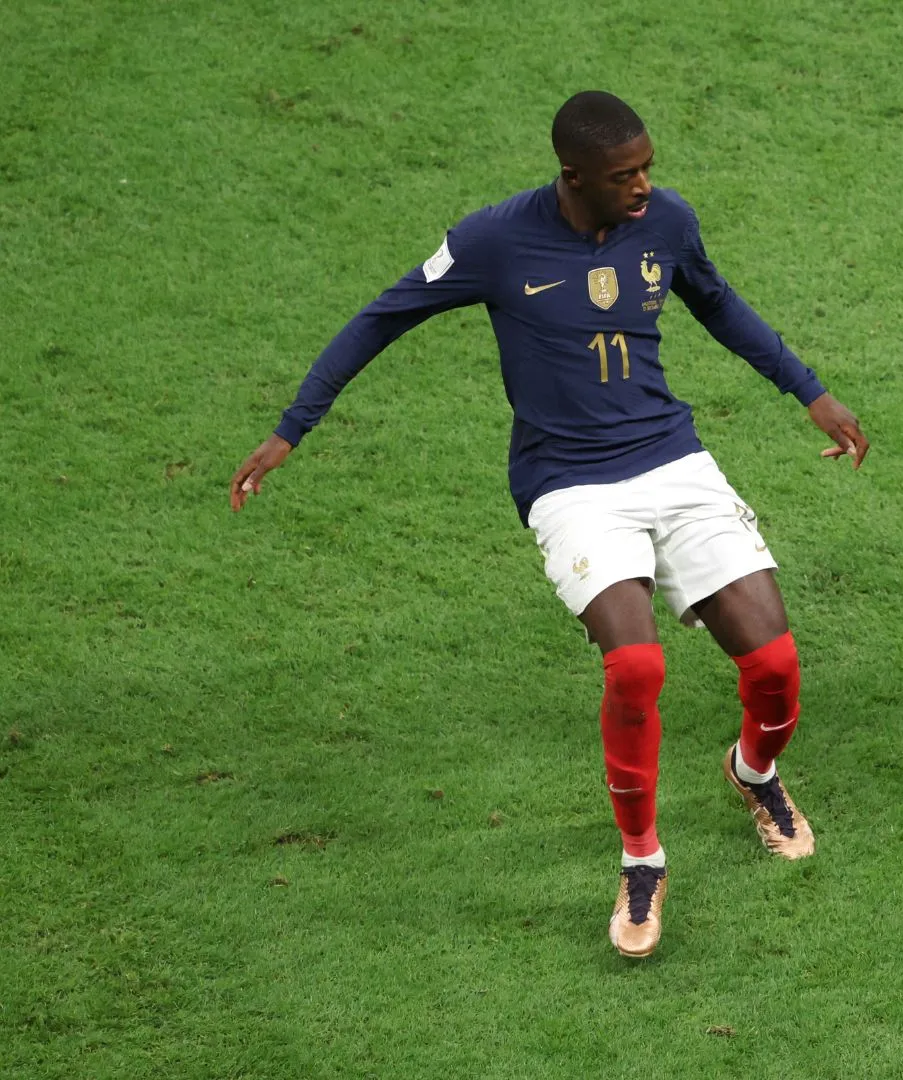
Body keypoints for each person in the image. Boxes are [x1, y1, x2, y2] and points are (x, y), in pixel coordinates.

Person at [229, 90, 869, 959]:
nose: (643, 185)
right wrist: (290, 428)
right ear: (574, 178)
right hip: (569, 484)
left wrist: (811, 392)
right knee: (636, 665)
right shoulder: (495, 240)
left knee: (776, 665)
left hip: (674, 462)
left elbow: (718, 305)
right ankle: (642, 861)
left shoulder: (666, 223)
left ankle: (752, 773)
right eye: (624, 175)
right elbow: (383, 316)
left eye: (647, 167)